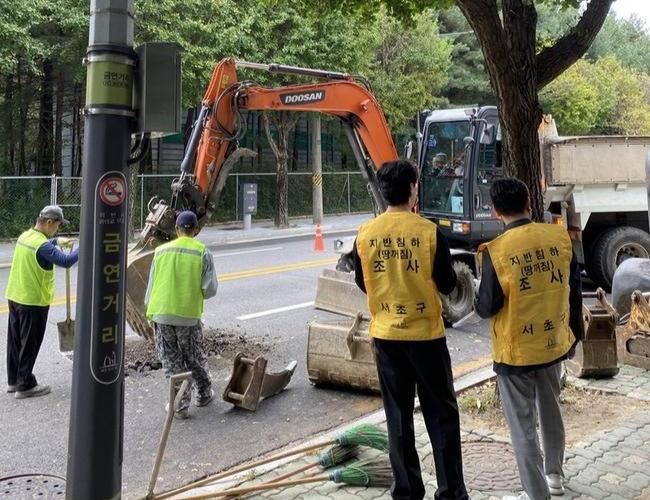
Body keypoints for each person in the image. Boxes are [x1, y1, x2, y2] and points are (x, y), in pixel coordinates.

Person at [352, 160, 469, 500]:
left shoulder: (366, 233)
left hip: (386, 337)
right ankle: (451, 492)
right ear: (413, 189)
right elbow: (447, 283)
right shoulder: (429, 232)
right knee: (441, 416)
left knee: (398, 417)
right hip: (426, 337)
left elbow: (363, 281)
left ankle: (406, 491)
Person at [475, 178, 584, 500]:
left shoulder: (496, 251)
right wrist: (574, 336)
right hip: (552, 342)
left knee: (523, 425)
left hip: (515, 351)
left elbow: (487, 306)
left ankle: (537, 493)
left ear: (496, 212)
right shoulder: (558, 239)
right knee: (551, 410)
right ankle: (555, 476)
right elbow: (574, 291)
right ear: (528, 204)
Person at [145, 210, 217, 419]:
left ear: (176, 230)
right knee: (193, 356)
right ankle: (203, 394)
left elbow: (151, 287)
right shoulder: (202, 252)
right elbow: (209, 290)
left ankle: (179, 405)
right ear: (196, 230)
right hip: (187, 315)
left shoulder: (160, 251)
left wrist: (150, 312)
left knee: (171, 360)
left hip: (161, 314)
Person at [5, 205, 79, 399]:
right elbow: (66, 261)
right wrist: (85, 246)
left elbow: (43, 244)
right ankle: (25, 385)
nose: (57, 228)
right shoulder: (43, 246)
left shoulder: (26, 236)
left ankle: (13, 381)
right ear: (49, 222)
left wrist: (56, 240)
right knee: (29, 343)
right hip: (32, 302)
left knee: (15, 341)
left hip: (15, 296)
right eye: (58, 225)